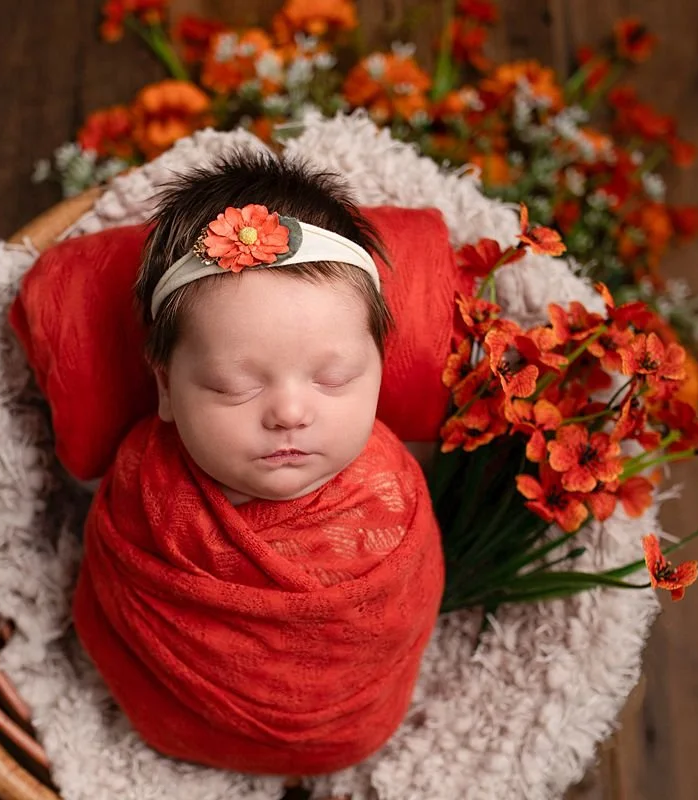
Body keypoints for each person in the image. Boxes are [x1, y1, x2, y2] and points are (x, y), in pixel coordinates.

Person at [71, 150, 444, 776]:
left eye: (335, 378)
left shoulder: (393, 496)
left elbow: (403, 617)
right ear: (164, 386)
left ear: (380, 367)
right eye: (233, 386)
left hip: (349, 728)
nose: (290, 412)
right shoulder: (142, 486)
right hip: (171, 712)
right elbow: (112, 602)